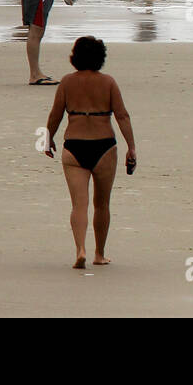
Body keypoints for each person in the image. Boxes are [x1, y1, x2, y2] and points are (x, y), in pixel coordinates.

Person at [43, 36, 137, 269]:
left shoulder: (66, 82)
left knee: (79, 205)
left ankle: (80, 249)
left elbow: (56, 114)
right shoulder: (108, 82)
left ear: (75, 57)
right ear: (100, 58)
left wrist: (48, 138)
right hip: (104, 146)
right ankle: (99, 254)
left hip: (74, 147)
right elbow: (122, 116)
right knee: (102, 204)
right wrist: (131, 147)